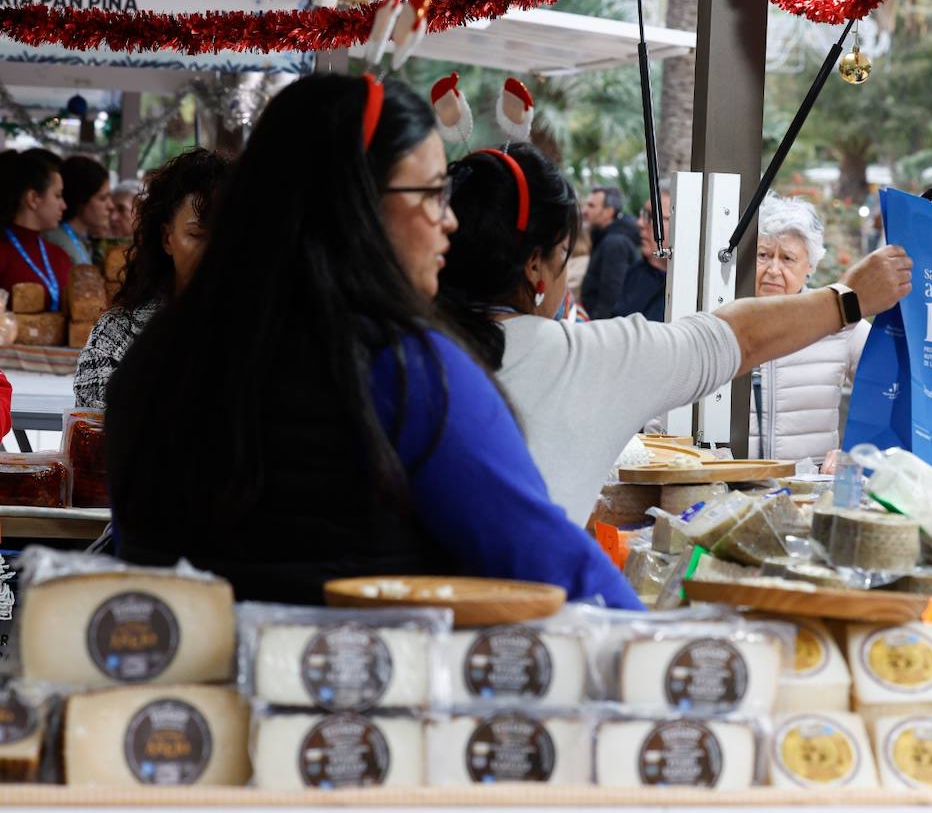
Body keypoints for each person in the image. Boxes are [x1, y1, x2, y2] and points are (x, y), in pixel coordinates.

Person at [105, 74, 638, 609]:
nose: (448, 220)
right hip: (357, 682)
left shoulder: (158, 356)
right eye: (432, 194)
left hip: (177, 683)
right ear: (355, 201)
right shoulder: (407, 370)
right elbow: (547, 562)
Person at [438, 143, 912, 526]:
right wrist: (848, 299)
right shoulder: (582, 356)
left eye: (788, 259)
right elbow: (738, 339)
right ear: (536, 266)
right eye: (565, 251)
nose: (773, 268)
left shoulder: (390, 348)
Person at [74, 148, 230, 409]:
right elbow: (99, 425)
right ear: (167, 238)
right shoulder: (118, 331)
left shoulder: (269, 329)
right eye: (197, 235)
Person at [748, 193, 869, 463]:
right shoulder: (728, 316)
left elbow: (887, 390)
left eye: (788, 258)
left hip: (809, 487)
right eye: (763, 255)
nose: (774, 269)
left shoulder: (839, 320)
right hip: (730, 487)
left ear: (810, 267)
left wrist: (853, 450)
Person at [0, 148, 71, 311]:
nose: (64, 205)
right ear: (33, 199)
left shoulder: (60, 256)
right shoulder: (3, 255)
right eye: (58, 195)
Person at [579, 184, 640, 318]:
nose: (584, 210)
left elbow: (610, 299)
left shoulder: (615, 244)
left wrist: (596, 329)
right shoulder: (606, 238)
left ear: (608, 211)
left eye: (591, 206)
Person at [612, 188, 671, 322]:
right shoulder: (636, 272)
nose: (639, 223)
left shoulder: (693, 287)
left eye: (652, 217)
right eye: (642, 214)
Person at [46, 154, 112, 266]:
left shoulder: (80, 239)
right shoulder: (56, 243)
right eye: (102, 198)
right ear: (81, 199)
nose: (110, 205)